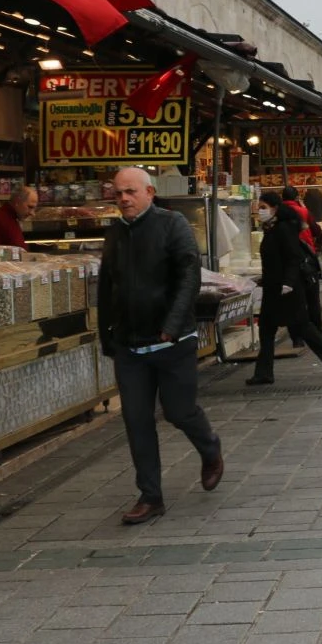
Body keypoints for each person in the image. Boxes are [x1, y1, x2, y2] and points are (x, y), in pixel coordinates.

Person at [98, 167, 221, 525]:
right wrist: (107, 334)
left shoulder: (173, 224)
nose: (124, 199)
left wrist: (172, 324)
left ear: (149, 192)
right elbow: (108, 286)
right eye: (118, 193)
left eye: (131, 192)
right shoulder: (116, 233)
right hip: (130, 347)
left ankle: (210, 448)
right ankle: (151, 497)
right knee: (136, 421)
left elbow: (189, 275)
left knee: (178, 412)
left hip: (172, 341)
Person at [247, 191, 322, 386]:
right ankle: (264, 373)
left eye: (263, 207)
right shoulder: (271, 228)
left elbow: (293, 257)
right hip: (274, 289)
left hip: (287, 289)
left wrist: (288, 282)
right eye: (259, 207)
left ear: (275, 208)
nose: (259, 211)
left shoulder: (284, 228)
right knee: (266, 329)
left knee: (302, 326)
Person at [280, 186, 322, 343]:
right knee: (312, 299)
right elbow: (315, 230)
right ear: (297, 197)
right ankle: (318, 332)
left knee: (293, 301)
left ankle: (296, 338)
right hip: (305, 259)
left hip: (286, 263)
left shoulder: (278, 214)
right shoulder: (302, 212)